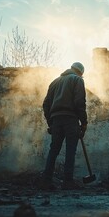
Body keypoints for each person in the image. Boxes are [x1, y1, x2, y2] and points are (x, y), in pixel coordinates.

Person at [40, 62, 88, 190]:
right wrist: (84, 123)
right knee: (70, 150)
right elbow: (79, 102)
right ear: (80, 73)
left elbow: (46, 104)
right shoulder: (77, 80)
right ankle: (68, 182)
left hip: (56, 119)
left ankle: (46, 181)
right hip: (70, 119)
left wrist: (51, 123)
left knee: (54, 150)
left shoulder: (54, 82)